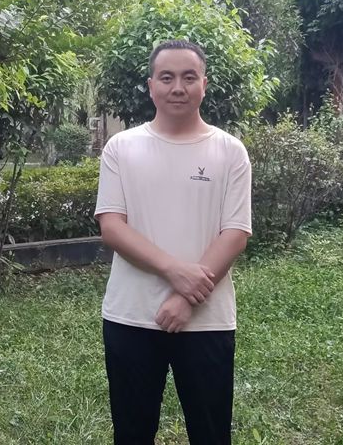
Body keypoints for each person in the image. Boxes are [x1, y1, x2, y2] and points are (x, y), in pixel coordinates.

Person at [95, 40, 252, 445]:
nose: (177, 87)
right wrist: (175, 271)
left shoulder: (230, 151)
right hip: (131, 315)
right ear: (151, 86)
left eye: (188, 77)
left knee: (211, 433)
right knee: (131, 432)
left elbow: (236, 232)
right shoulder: (121, 148)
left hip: (207, 319)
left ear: (204, 84)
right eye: (167, 78)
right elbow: (112, 226)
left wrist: (186, 298)